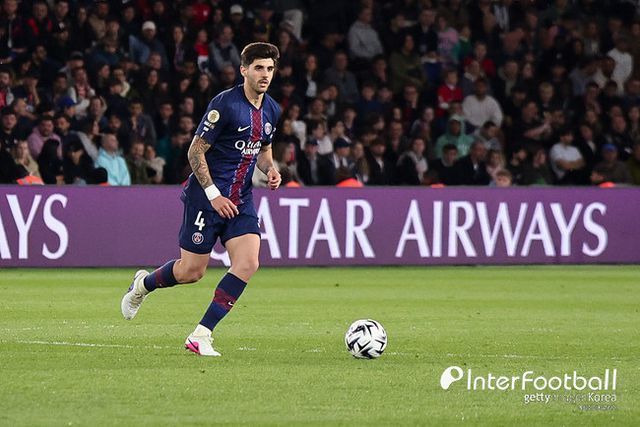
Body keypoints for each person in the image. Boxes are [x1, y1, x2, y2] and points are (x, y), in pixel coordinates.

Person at [121, 43, 282, 357]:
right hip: (206, 199)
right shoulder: (225, 104)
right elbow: (195, 151)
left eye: (270, 69)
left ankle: (201, 334)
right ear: (244, 70)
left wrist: (271, 169)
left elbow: (263, 150)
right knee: (191, 272)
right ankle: (143, 285)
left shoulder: (272, 109)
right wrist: (213, 195)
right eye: (259, 68)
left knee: (248, 263)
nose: (265, 75)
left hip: (240, 200)